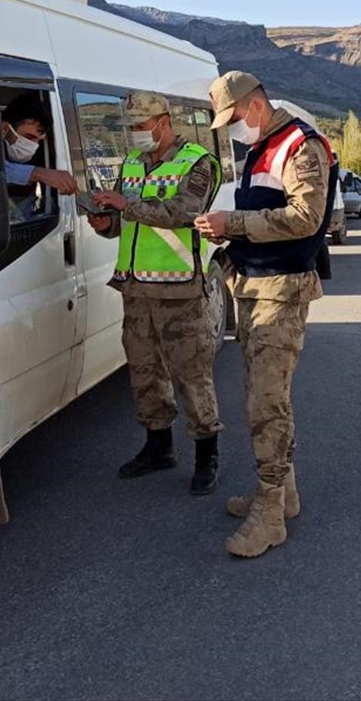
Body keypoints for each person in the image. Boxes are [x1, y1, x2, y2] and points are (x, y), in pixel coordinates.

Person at [195, 71, 337, 559]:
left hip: (281, 291)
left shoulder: (300, 144)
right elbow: (266, 220)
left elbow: (305, 218)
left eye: (233, 118)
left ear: (255, 105)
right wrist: (229, 236)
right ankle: (282, 493)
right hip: (255, 286)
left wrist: (231, 222)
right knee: (264, 398)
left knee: (266, 405)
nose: (233, 129)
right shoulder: (263, 146)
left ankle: (270, 515)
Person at [87, 91, 224, 494]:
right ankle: (158, 448)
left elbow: (183, 213)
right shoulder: (131, 164)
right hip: (135, 289)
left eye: (141, 126)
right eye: (130, 127)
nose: (134, 135)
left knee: (192, 377)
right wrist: (105, 223)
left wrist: (125, 205)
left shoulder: (198, 163)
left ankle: (206, 456)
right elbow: (123, 223)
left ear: (164, 122)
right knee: (144, 374)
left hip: (178, 292)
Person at [0, 95, 78, 198]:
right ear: (5, 129)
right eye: (29, 138)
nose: (34, 146)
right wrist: (36, 173)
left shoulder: (42, 154)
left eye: (39, 140)